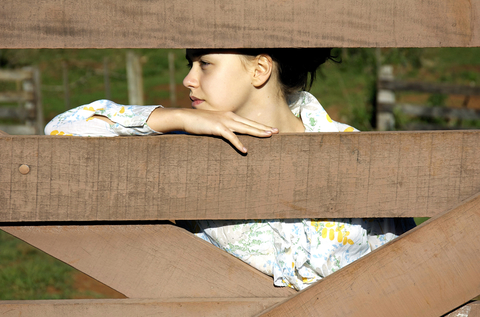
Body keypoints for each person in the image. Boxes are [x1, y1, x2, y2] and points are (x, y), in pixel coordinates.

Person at [45, 48, 415, 291]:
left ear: (259, 69)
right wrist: (178, 118)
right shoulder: (184, 156)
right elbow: (63, 130)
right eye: (191, 65)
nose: (189, 79)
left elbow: (407, 266)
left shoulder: (351, 147)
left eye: (204, 64)